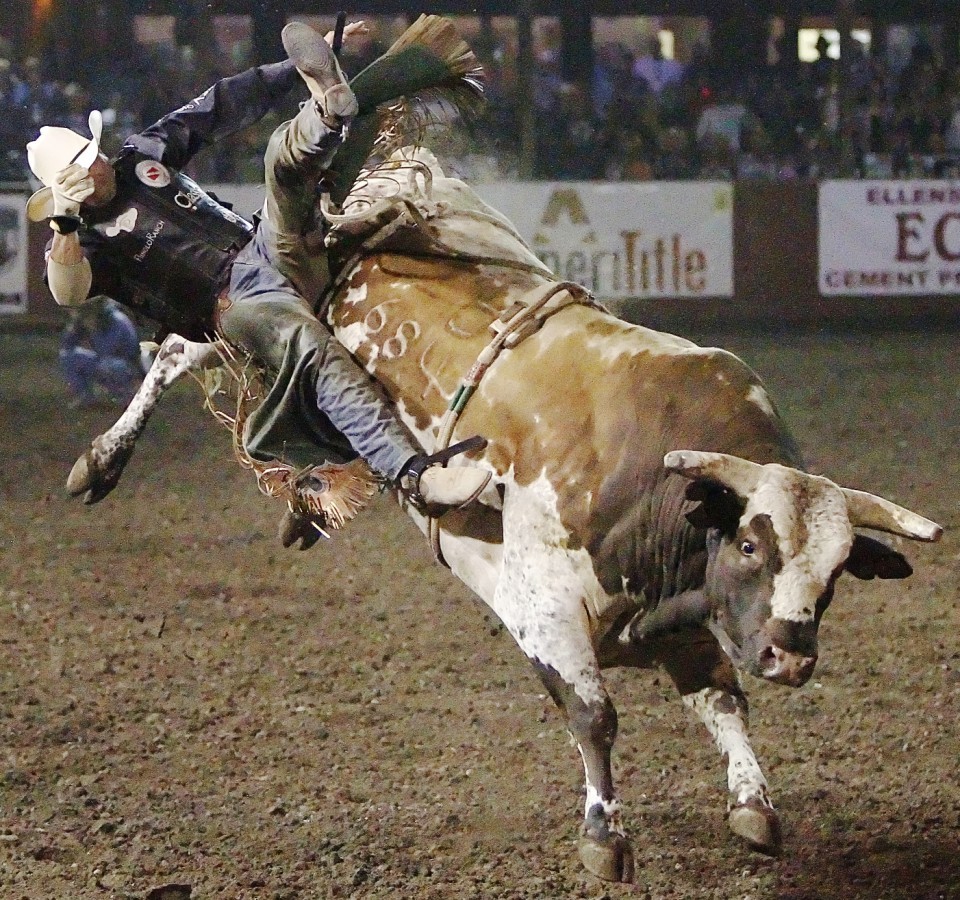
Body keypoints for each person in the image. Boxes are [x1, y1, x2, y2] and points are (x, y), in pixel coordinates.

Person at [25, 18, 490, 517]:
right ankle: (414, 475)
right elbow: (67, 292)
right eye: (84, 168)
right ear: (66, 192)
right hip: (229, 304)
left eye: (93, 156)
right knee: (309, 347)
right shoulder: (88, 242)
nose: (97, 167)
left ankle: (327, 109)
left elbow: (220, 104)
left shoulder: (143, 154)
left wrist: (295, 66)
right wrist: (65, 227)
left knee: (280, 164)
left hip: (263, 240)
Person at [59, 297, 143, 407]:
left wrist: (93, 328)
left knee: (109, 365)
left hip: (127, 366)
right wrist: (74, 328)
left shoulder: (117, 321)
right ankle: (86, 397)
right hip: (103, 361)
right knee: (69, 357)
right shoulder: (87, 319)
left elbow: (110, 350)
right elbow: (67, 344)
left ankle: (127, 396)